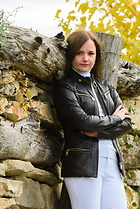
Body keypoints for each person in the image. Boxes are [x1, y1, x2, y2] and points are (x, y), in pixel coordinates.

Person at [53, 29, 133, 209]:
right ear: (71, 54)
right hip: (83, 165)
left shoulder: (105, 86)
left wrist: (98, 132)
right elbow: (83, 122)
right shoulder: (66, 88)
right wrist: (114, 118)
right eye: (79, 53)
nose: (85, 59)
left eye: (90, 53)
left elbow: (126, 123)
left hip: (112, 162)